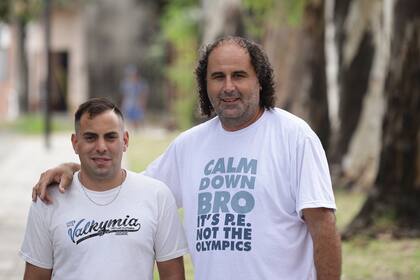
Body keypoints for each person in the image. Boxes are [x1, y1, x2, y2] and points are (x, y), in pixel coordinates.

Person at [33, 37, 342, 279]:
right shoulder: (190, 145)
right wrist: (74, 167)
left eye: (239, 76)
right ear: (205, 84)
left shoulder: (293, 137)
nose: (228, 87)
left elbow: (323, 227)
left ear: (259, 81)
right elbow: (130, 190)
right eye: (218, 77)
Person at [21, 98, 187, 280]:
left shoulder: (157, 196)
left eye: (110, 137)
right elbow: (35, 276)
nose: (101, 147)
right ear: (75, 143)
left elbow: (173, 275)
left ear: (125, 140)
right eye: (91, 137)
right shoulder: (48, 200)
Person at [120, 64, 149, 130]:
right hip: (129, 103)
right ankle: (132, 132)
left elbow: (143, 95)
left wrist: (143, 104)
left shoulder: (141, 83)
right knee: (128, 119)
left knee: (137, 119)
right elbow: (124, 95)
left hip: (137, 104)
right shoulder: (125, 83)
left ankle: (138, 131)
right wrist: (123, 104)